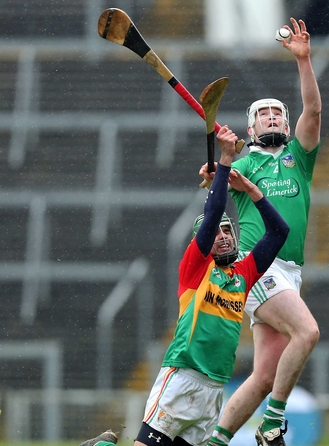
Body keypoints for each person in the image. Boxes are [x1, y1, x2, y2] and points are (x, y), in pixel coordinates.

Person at [81, 125, 289, 446]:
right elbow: (213, 212)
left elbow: (279, 232)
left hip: (214, 388)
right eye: (215, 233)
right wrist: (225, 160)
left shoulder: (244, 275)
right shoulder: (195, 268)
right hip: (183, 376)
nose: (222, 236)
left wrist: (251, 191)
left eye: (227, 232)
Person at [199, 17, 322, 446]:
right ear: (251, 129)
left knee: (266, 374)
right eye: (262, 114)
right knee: (307, 333)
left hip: (290, 272)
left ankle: (216, 441)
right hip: (257, 266)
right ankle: (272, 425)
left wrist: (303, 61)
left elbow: (315, 110)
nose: (271, 118)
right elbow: (221, 174)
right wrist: (216, 170)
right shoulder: (246, 163)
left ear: (285, 127)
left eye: (277, 114)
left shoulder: (299, 158)